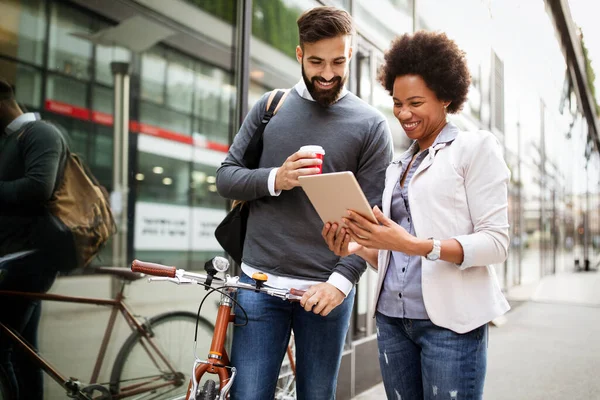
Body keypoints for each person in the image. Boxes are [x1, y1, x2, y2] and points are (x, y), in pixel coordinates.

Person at [216, 6, 393, 399]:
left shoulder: (371, 125)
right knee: (249, 395)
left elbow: (374, 222)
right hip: (258, 285)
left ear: (349, 55)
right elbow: (226, 177)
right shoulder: (270, 108)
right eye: (316, 62)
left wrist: (341, 282)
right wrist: (276, 178)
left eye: (337, 61)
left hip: (325, 289)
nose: (327, 74)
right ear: (299, 56)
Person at [322, 31, 510, 400]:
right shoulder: (399, 163)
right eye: (397, 103)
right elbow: (396, 256)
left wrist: (416, 244)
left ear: (446, 97)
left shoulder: (474, 148)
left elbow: (496, 243)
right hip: (393, 321)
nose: (404, 113)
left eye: (416, 102)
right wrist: (356, 248)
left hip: (450, 325)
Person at [0, 78, 70, 399]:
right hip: (14, 259)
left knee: (3, 352)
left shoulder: (41, 133)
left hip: (28, 261)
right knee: (25, 353)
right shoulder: (9, 141)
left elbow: (38, 187)